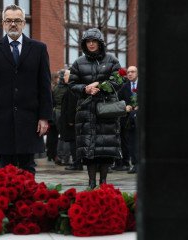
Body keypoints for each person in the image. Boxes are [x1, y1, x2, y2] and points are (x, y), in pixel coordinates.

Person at [0, 4, 53, 175]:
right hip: (1, 121)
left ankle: (28, 202)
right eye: (9, 20)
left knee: (28, 169)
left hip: (30, 121)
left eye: (17, 20)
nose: (13, 24)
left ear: (24, 23)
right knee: (5, 170)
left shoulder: (39, 49)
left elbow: (44, 85)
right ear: (3, 23)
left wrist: (44, 117)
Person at [69, 28, 123, 189]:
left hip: (107, 110)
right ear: (84, 44)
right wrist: (85, 89)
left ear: (100, 43)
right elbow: (72, 84)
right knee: (89, 149)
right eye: (88, 41)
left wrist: (100, 85)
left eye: (94, 41)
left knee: (106, 149)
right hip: (86, 111)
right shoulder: (78, 62)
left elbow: (119, 81)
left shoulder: (112, 60)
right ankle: (91, 182)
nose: (91, 44)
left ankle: (104, 182)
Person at [59, 69, 83, 170]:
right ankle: (76, 162)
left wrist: (70, 120)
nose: (63, 77)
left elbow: (72, 105)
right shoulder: (71, 88)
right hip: (71, 120)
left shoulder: (72, 88)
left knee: (74, 142)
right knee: (73, 142)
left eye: (65, 75)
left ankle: (77, 163)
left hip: (72, 122)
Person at [118, 66, 139, 174]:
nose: (130, 74)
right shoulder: (124, 87)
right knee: (131, 142)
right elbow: (118, 100)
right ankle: (135, 164)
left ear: (137, 73)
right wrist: (124, 107)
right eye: (128, 72)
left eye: (133, 72)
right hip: (129, 120)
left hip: (141, 118)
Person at [53, 69, 71, 166]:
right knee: (66, 135)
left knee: (60, 135)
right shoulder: (68, 88)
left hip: (56, 112)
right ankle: (66, 158)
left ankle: (59, 157)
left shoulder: (55, 88)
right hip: (64, 113)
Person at [46, 72, 60, 162]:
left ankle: (50, 154)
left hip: (50, 115)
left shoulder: (50, 87)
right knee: (53, 135)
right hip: (53, 115)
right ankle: (52, 154)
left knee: (51, 135)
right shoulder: (54, 88)